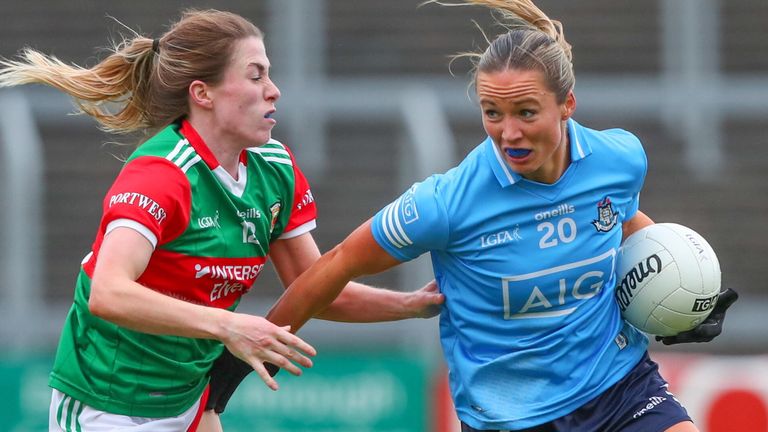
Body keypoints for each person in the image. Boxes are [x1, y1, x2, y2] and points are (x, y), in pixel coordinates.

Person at [256, 1, 740, 431]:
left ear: (566, 104)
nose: (508, 133)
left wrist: (685, 295)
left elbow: (621, 217)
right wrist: (259, 344)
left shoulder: (620, 158)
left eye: (526, 112)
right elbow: (338, 262)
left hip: (620, 387)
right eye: (492, 113)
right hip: (511, 417)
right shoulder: (446, 203)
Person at [0, 9, 442, 432]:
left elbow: (315, 289)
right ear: (202, 93)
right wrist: (229, 325)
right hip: (109, 405)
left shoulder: (274, 168)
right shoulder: (162, 174)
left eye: (269, 73)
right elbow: (108, 293)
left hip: (192, 399)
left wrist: (412, 306)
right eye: (256, 75)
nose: (274, 90)